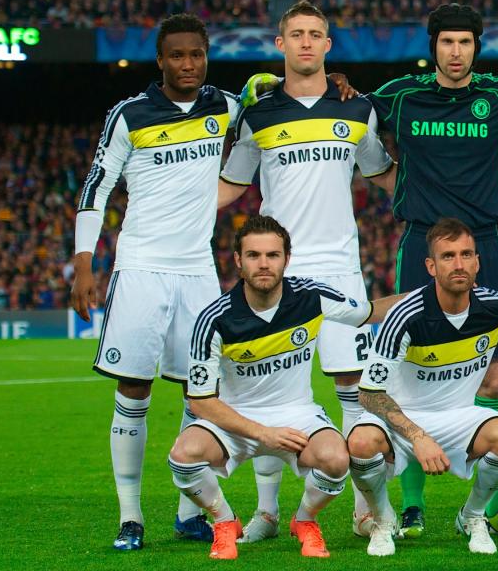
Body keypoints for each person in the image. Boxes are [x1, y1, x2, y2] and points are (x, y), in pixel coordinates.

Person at [217, 0, 396, 540]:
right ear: (281, 44)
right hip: (276, 271)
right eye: (296, 34)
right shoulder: (257, 114)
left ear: (328, 45)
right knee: (270, 389)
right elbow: (232, 185)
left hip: (339, 268)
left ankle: (365, 509)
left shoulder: (357, 109)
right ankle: (268, 513)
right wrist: (168, 209)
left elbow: (384, 175)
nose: (305, 43)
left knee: (353, 387)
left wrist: (448, 198)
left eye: (315, 34)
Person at [71, 13, 241, 551]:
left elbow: (277, 101)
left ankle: (190, 513)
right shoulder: (130, 114)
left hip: (198, 271)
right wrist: (83, 263)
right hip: (141, 267)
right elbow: (97, 186)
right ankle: (130, 517)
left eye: (197, 54)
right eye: (178, 55)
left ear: (207, 56)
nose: (188, 64)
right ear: (161, 60)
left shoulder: (225, 106)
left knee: (202, 391)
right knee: (134, 389)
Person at [366, 3, 498, 536]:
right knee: (411, 371)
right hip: (421, 242)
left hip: (484, 242)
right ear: (433, 46)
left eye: (464, 42)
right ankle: (412, 504)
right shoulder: (399, 96)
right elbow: (352, 118)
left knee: (495, 372)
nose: (455, 52)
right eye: (446, 42)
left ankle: (491, 501)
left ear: (476, 47)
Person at [170, 215, 405, 560]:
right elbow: (201, 402)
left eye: (272, 255)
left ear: (286, 258)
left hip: (298, 414)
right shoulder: (214, 319)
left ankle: (305, 520)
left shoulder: (311, 297)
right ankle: (224, 521)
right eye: (253, 255)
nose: (264, 264)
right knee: (183, 455)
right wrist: (263, 432)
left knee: (336, 459)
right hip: (237, 418)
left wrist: (432, 295)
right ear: (238, 260)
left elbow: (368, 312)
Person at [347, 218, 498, 556]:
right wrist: (418, 436)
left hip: (459, 415)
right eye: (448, 256)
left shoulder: (496, 307)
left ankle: (472, 515)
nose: (459, 264)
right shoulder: (406, 315)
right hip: (405, 417)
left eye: (466, 254)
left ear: (477, 262)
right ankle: (383, 519)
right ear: (431, 266)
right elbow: (369, 392)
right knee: (360, 442)